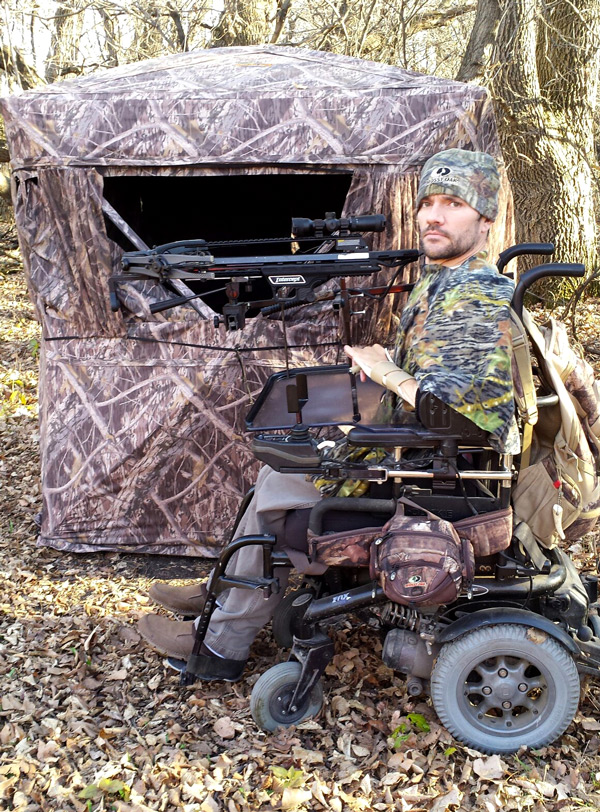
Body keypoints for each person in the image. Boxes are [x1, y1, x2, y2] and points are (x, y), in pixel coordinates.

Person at [137, 148, 519, 680]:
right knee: (275, 473)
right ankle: (217, 599)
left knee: (274, 492)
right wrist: (375, 385)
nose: (434, 214)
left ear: (484, 217)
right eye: (428, 201)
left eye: (453, 203)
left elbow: (458, 414)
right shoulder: (441, 283)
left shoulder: (475, 296)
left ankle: (221, 646)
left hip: (427, 477)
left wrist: (384, 370)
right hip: (407, 456)